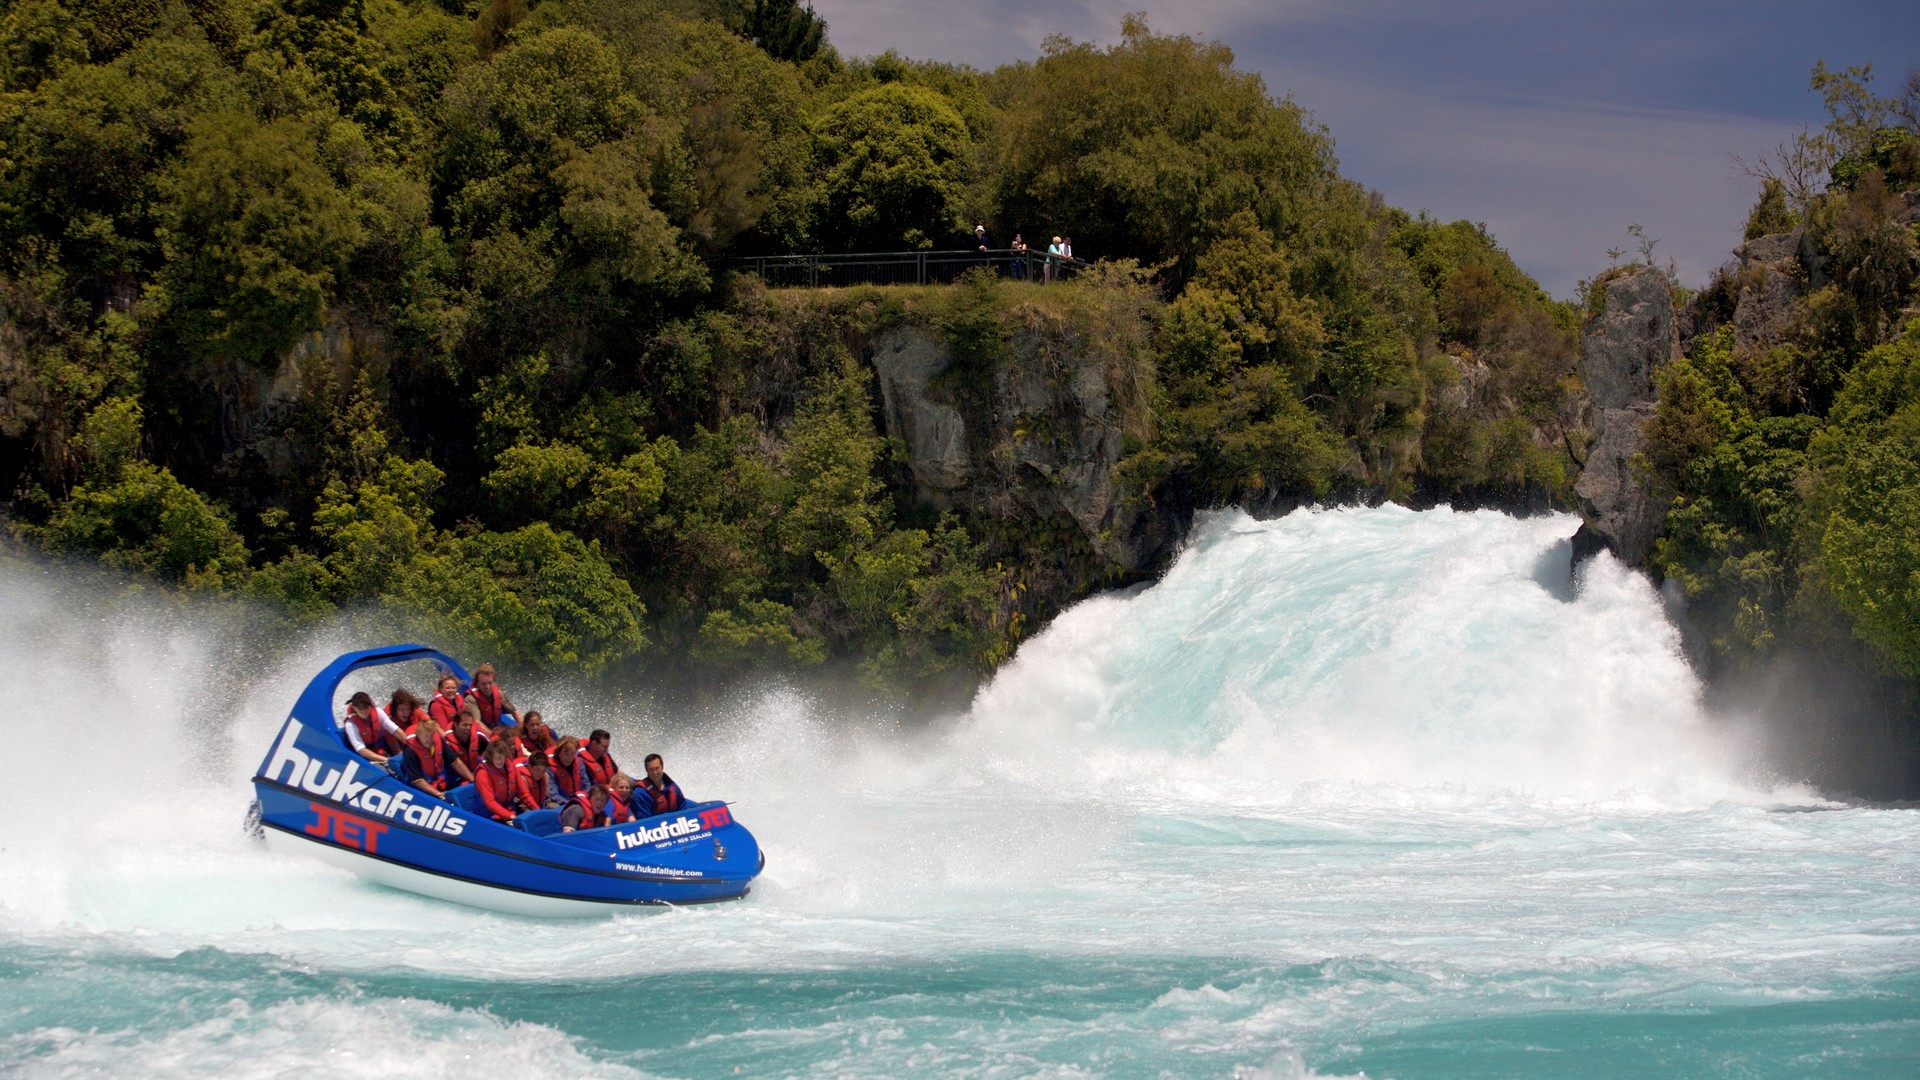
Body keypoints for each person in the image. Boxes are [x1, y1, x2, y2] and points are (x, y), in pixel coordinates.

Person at [398, 714, 452, 798]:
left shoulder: (436, 742)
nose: (429, 740)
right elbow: (417, 780)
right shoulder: (410, 751)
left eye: (431, 736)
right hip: (421, 792)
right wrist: (438, 794)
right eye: (426, 736)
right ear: (419, 735)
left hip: (439, 784)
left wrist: (471, 779)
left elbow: (454, 760)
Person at [341, 692, 401, 763]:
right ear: (354, 708)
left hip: (379, 748)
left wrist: (410, 744)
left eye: (366, 708)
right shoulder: (350, 724)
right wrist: (386, 760)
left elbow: (394, 729)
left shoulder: (378, 712)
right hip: (364, 758)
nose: (364, 712)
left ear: (370, 706)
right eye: (360, 709)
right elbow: (361, 749)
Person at [474, 738, 521, 823]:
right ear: (490, 757)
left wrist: (536, 810)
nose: (499, 760)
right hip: (487, 816)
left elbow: (523, 791)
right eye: (496, 757)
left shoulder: (508, 768)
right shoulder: (482, 773)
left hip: (507, 810)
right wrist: (509, 816)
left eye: (502, 756)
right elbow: (489, 802)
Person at [465, 662, 519, 729]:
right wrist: (492, 735)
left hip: (497, 726)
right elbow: (476, 723)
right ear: (477, 684)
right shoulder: (471, 699)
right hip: (481, 732)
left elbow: (514, 711)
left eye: (490, 683)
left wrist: (523, 728)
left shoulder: (499, 694)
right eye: (483, 684)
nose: (487, 686)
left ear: (493, 682)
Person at [444, 705, 488, 788]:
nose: (468, 728)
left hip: (475, 773)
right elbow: (454, 763)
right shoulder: (446, 742)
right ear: (456, 724)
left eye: (470, 725)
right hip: (455, 780)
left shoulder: (478, 736)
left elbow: (492, 751)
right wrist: (473, 780)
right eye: (464, 725)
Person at [635, 753, 687, 817]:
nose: (655, 772)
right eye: (651, 769)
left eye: (657, 768)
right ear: (646, 770)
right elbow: (644, 821)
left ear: (662, 767)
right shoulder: (641, 793)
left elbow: (683, 809)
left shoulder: (673, 787)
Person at [548, 736, 587, 801]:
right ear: (559, 752)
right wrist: (568, 804)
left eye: (572, 754)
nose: (569, 758)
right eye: (566, 754)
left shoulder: (579, 763)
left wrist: (583, 800)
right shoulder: (550, 769)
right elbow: (554, 794)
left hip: (579, 800)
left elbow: (586, 786)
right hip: (561, 803)